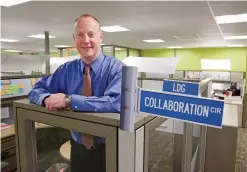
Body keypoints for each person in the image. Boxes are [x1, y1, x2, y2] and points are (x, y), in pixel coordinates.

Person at [28, 14, 124, 172]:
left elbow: (116, 103)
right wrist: (47, 99)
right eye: (80, 35)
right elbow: (36, 90)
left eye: (91, 34)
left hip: (111, 147)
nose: (86, 40)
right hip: (78, 148)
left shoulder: (117, 69)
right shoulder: (66, 70)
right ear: (74, 39)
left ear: (100, 37)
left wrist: (69, 100)